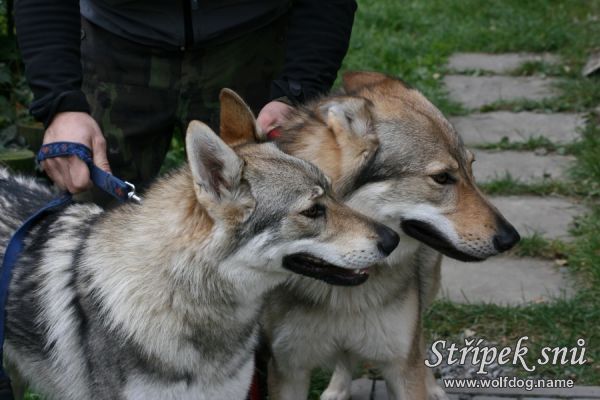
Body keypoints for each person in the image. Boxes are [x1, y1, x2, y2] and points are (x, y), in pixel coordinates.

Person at [15, 0, 357, 195]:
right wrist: (61, 105)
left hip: (253, 41)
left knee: (269, 209)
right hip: (115, 43)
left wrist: (296, 92)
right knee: (89, 214)